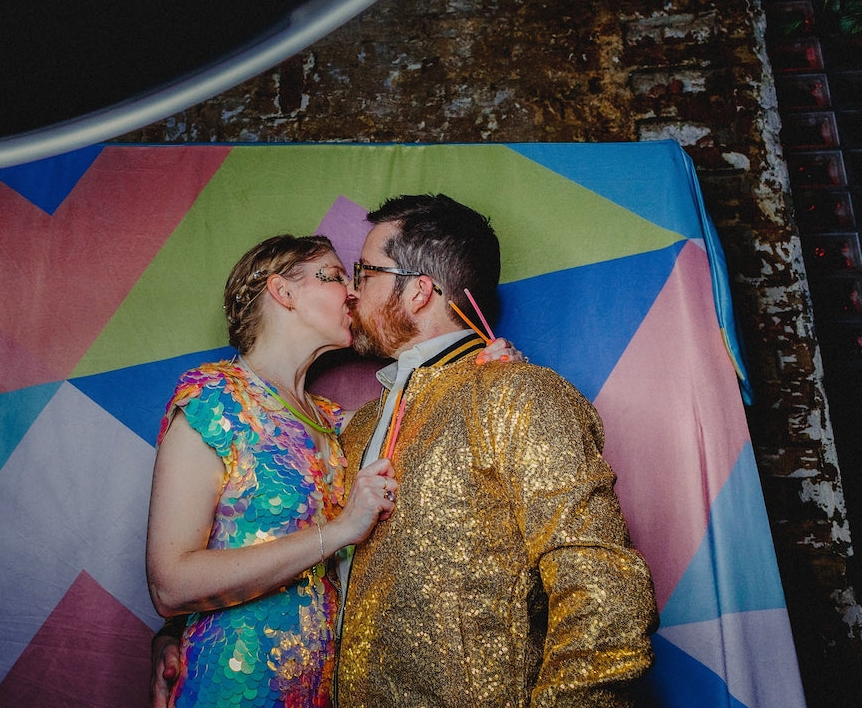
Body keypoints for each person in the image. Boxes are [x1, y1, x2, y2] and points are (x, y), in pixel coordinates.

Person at [154, 195, 657, 707]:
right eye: (342, 275)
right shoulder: (356, 426)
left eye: (366, 272)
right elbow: (251, 544)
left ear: (419, 293)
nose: (352, 291)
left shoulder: (515, 393)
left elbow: (605, 592)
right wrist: (180, 636)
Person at [145, 234, 397, 707]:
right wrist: (339, 531)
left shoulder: (335, 421)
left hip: (319, 691)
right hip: (232, 684)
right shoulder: (215, 401)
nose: (353, 291)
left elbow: (417, 430)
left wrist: (482, 371)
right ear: (283, 292)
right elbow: (170, 584)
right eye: (336, 276)